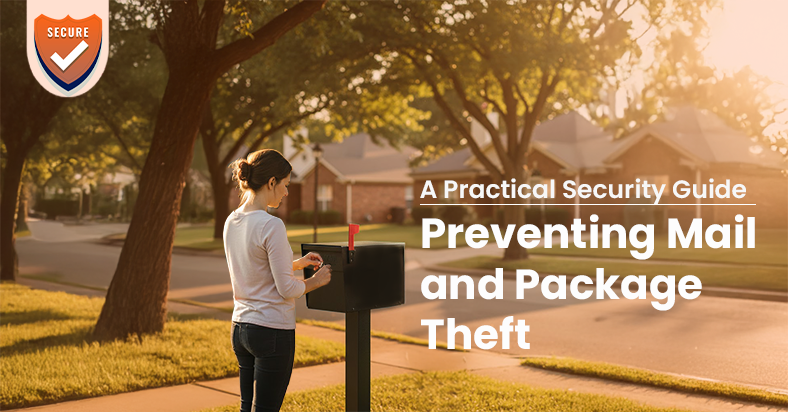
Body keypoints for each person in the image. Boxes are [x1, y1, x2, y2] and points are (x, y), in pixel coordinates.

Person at [223, 149, 332, 412]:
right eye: (284, 185)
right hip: (271, 331)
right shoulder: (271, 225)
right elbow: (288, 289)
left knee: (246, 408)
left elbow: (253, 266)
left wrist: (296, 264)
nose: (285, 193)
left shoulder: (232, 220)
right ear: (271, 182)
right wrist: (318, 280)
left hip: (241, 328)